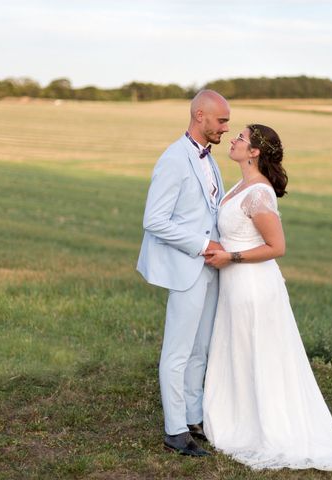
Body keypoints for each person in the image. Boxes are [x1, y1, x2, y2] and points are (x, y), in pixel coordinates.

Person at [202, 124, 332, 472]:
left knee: (260, 354)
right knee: (240, 352)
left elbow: (277, 247)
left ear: (255, 152)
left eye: (241, 138)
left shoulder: (259, 193)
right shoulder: (240, 185)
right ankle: (238, 418)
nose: (233, 139)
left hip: (252, 287)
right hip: (236, 286)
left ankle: (267, 426)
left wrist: (230, 257)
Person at [136, 90, 230, 457]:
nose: (225, 127)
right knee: (177, 352)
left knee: (200, 350)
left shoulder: (210, 159)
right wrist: (202, 245)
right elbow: (154, 220)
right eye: (221, 121)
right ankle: (175, 431)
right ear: (200, 115)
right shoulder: (174, 159)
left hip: (210, 270)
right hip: (187, 267)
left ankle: (193, 418)